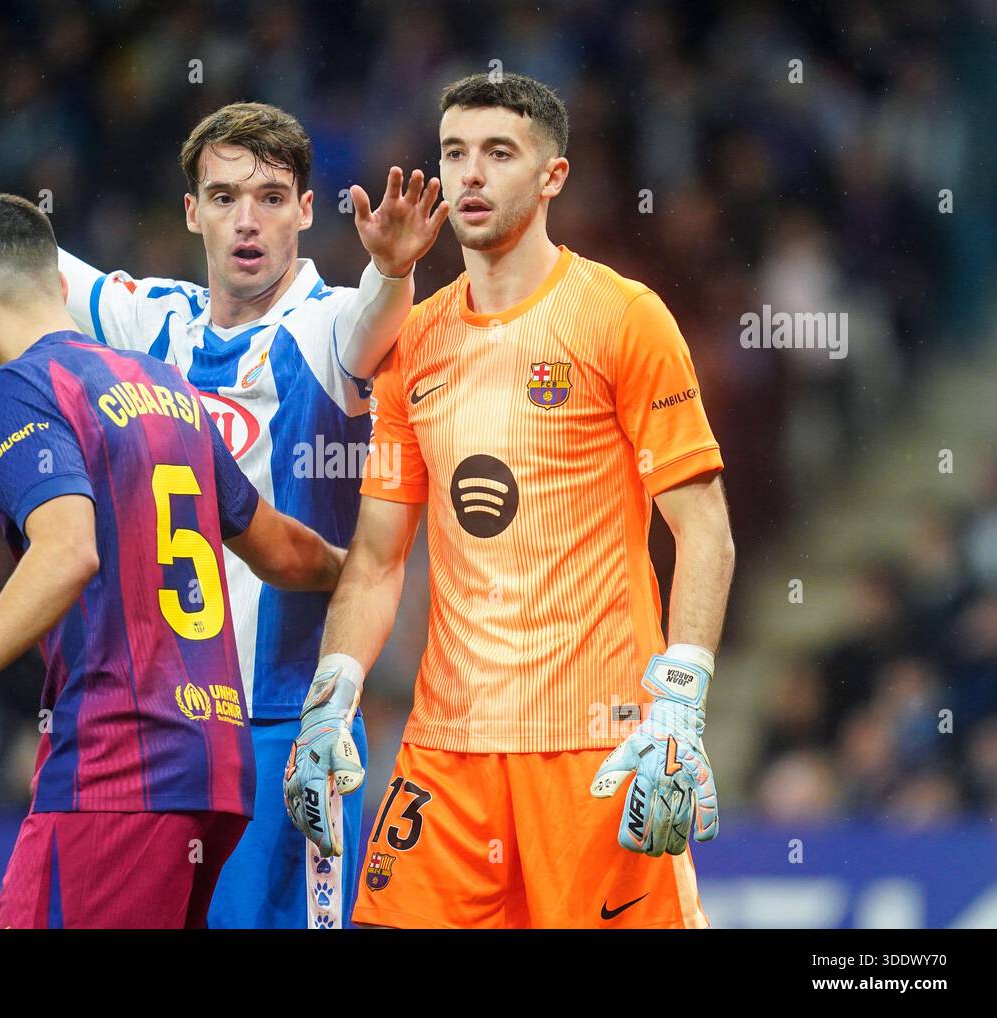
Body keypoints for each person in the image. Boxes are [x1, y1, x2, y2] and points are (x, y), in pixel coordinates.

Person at [0, 33, 448, 929]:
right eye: (225, 198)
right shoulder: (155, 323)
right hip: (179, 734)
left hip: (290, 728)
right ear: (191, 211)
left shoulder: (326, 327)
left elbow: (376, 321)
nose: (247, 221)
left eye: (272, 199)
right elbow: (16, 256)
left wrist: (393, 269)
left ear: (307, 210)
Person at [283, 72, 736, 928]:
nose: (472, 176)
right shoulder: (412, 343)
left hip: (597, 746)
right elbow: (379, 556)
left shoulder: (623, 317)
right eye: (455, 153)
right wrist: (330, 699)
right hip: (446, 752)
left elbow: (704, 529)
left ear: (552, 177)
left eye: (500, 153)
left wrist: (680, 702)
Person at [0, 192, 346, 929]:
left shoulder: (20, 386)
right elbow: (283, 551)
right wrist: (365, 567)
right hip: (219, 773)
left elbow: (67, 550)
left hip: (120, 769)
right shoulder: (166, 386)